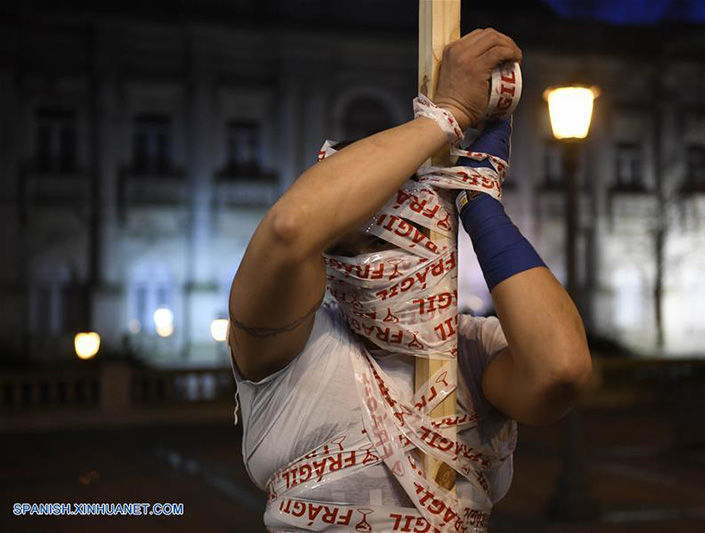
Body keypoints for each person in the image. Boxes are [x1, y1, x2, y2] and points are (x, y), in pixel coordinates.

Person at [227, 28, 592, 532]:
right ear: (332, 260)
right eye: (372, 244)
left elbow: (561, 370)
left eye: (413, 240)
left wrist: (479, 198)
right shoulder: (292, 351)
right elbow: (292, 228)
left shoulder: (472, 349)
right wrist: (448, 117)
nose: (397, 263)